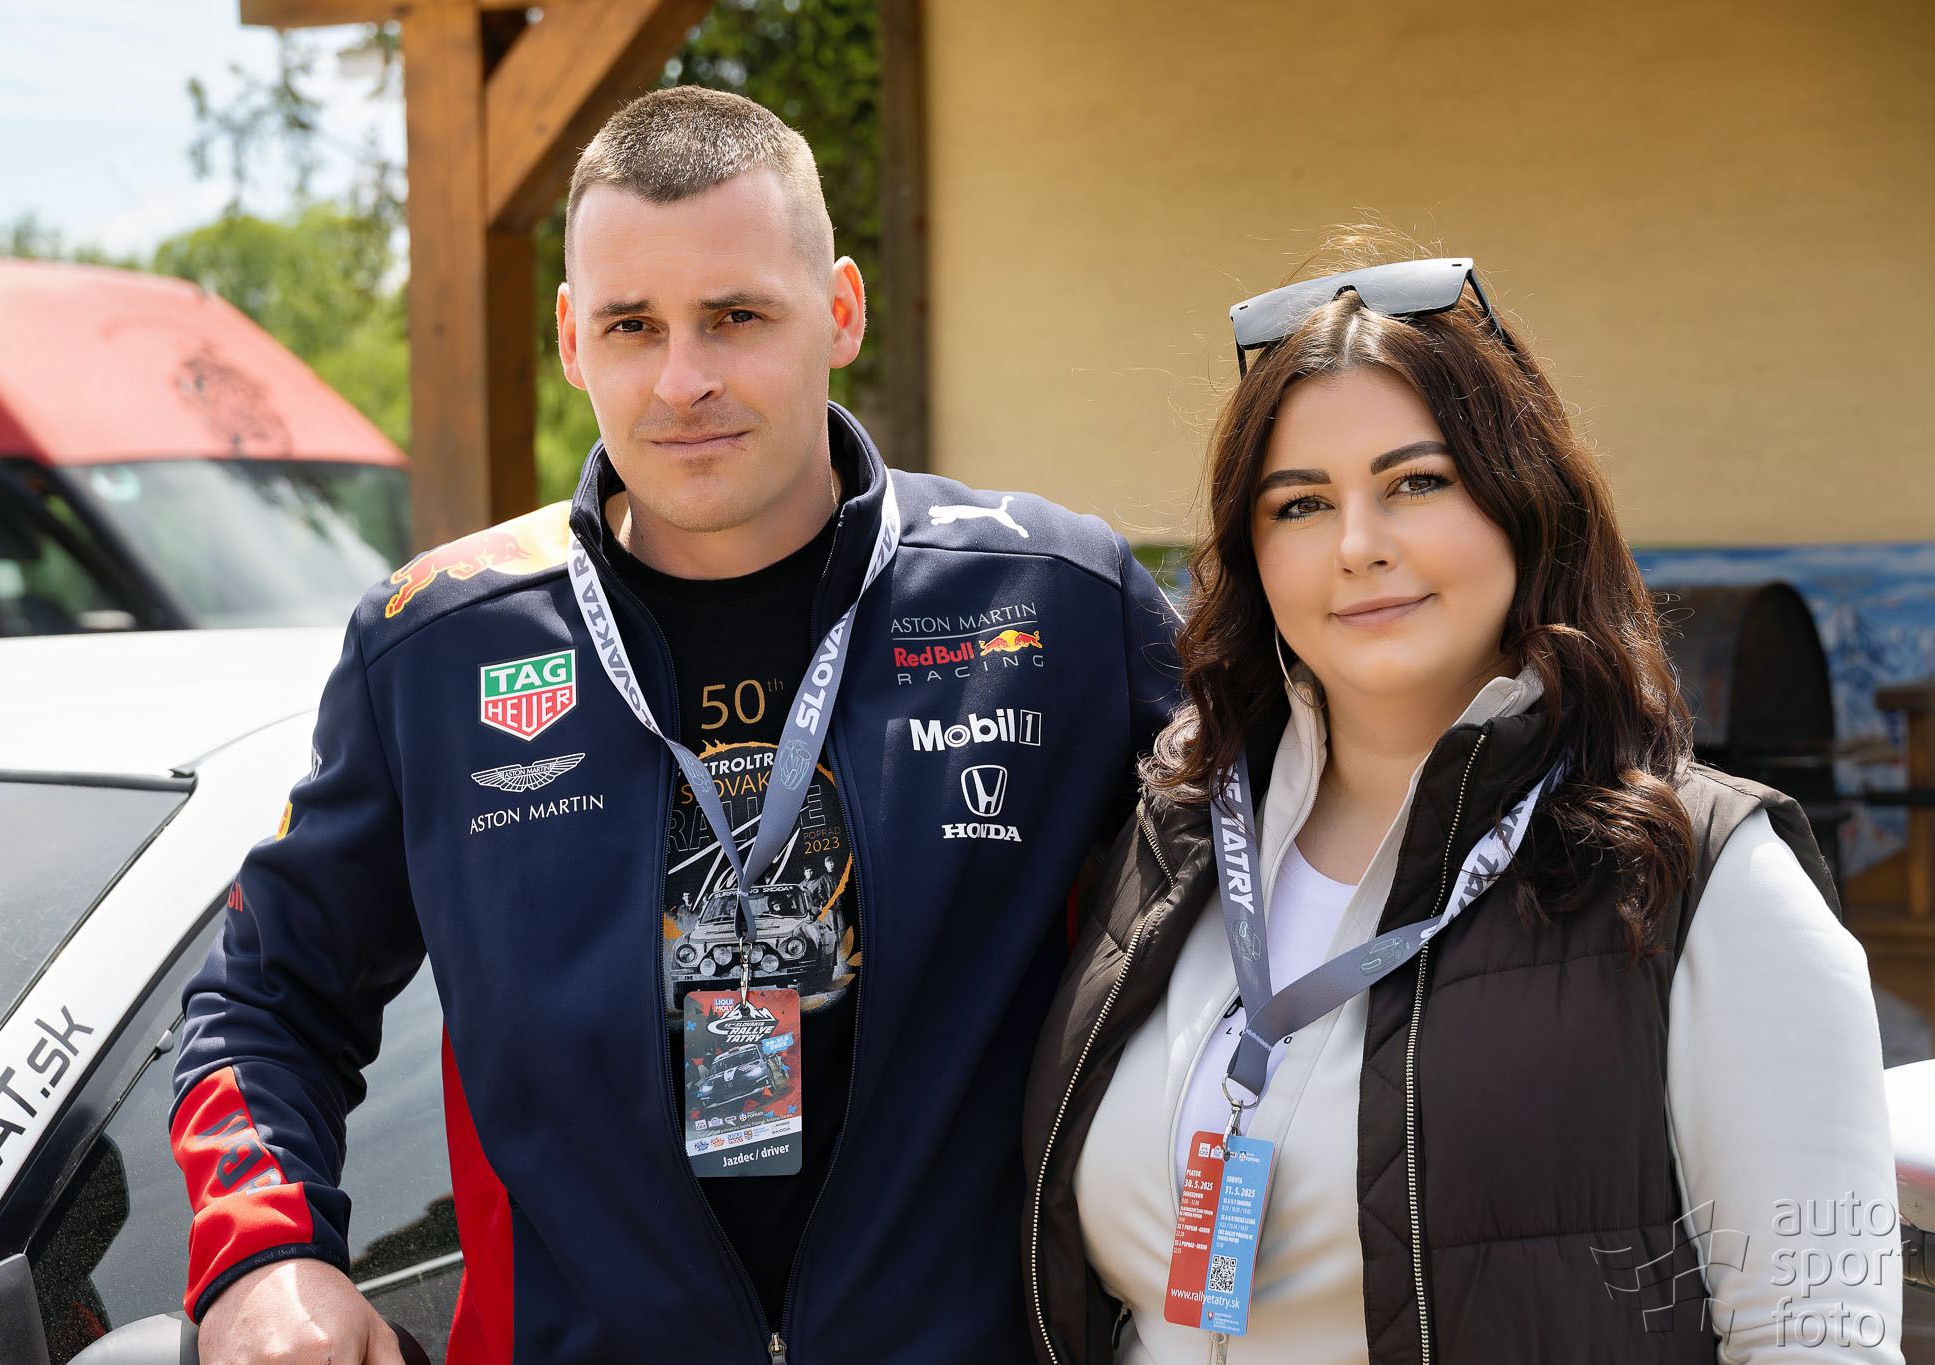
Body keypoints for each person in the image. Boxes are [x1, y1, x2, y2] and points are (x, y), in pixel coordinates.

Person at [171, 86, 1180, 1365]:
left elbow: (1298, 883)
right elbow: (263, 1001)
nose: (683, 378)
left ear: (842, 311)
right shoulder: (435, 646)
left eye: (735, 317)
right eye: (632, 325)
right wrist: (264, 1258)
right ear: (570, 338)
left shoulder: (1051, 600)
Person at [1022, 240, 1902, 1364]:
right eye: (1299, 504)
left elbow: (1813, 1335)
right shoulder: (1177, 838)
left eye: (1417, 483)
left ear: (1524, 504)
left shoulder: (1705, 876)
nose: (1357, 546)